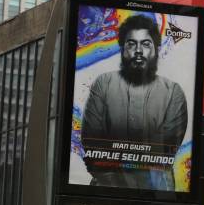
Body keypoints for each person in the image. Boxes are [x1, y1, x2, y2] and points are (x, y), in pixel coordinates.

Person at [80, 13, 188, 190]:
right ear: (122, 49)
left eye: (146, 44)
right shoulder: (103, 84)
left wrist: (118, 154)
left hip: (157, 196)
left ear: (156, 49)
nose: (138, 50)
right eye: (131, 44)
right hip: (106, 193)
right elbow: (92, 142)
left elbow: (164, 149)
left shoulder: (173, 92)